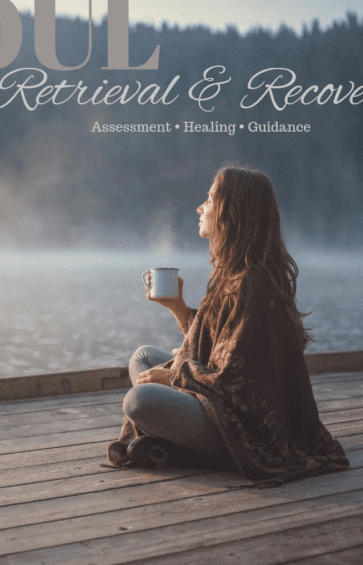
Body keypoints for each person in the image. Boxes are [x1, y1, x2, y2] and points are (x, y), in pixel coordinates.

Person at [107, 164, 349, 486]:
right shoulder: (232, 272)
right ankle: (174, 437)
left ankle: (197, 450)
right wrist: (178, 308)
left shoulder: (253, 284)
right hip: (215, 399)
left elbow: (236, 382)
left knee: (139, 401)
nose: (200, 207)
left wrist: (174, 375)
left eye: (209, 199)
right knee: (143, 357)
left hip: (243, 427)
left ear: (232, 211)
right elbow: (217, 343)